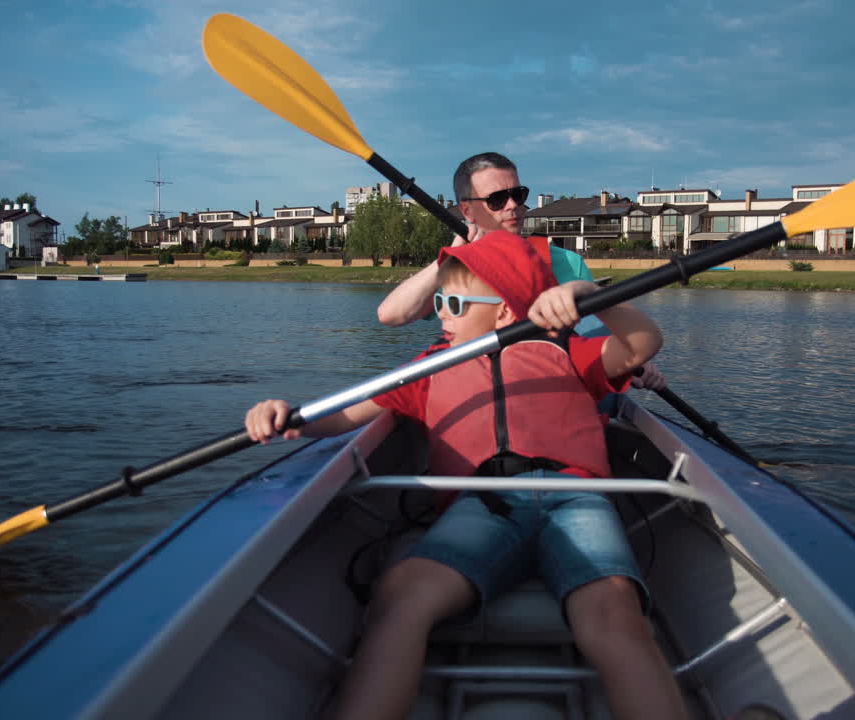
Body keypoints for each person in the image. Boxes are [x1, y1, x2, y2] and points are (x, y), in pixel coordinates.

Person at [245, 231, 686, 720]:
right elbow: (342, 418)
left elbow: (645, 342)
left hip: (575, 497)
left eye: (452, 303)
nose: (440, 314)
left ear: (501, 313)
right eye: (438, 302)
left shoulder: (564, 353)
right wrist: (289, 415)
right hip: (482, 504)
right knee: (401, 594)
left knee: (614, 610)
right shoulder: (428, 368)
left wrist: (589, 298)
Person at [376, 151, 667, 391]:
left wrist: (631, 363)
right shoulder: (458, 273)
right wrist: (450, 257)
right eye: (497, 200)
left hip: (554, 393)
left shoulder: (566, 262)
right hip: (479, 394)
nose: (513, 206)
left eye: (518, 194)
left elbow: (595, 341)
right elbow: (391, 315)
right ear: (466, 212)